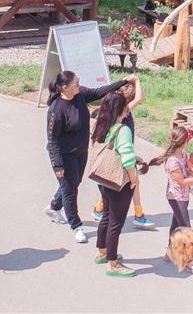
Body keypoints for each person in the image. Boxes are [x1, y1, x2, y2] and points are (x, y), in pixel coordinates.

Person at [45, 71, 129, 244]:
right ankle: (76, 226)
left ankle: (53, 207)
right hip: (64, 155)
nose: (79, 85)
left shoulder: (80, 94)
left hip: (80, 152)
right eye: (76, 83)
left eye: (79, 82)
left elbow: (99, 91)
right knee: (70, 191)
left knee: (73, 183)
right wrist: (57, 165)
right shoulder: (57, 109)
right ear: (64, 88)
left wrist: (123, 82)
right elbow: (52, 140)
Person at [92, 78, 154, 230]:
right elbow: (140, 97)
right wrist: (137, 80)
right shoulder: (124, 112)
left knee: (111, 185)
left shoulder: (111, 111)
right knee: (133, 183)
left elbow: (139, 96)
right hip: (122, 155)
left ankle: (100, 208)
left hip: (118, 153)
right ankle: (139, 215)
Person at [90, 92, 139, 277]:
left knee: (106, 216)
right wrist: (134, 180)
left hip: (102, 177)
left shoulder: (100, 124)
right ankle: (113, 263)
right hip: (118, 181)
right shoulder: (122, 129)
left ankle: (102, 251)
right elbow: (127, 159)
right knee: (115, 223)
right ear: (120, 109)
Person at [150, 126, 193, 240]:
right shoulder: (172, 161)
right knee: (186, 228)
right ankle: (191, 256)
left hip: (184, 195)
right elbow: (182, 182)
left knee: (176, 225)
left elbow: (189, 170)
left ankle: (170, 253)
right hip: (176, 197)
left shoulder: (183, 154)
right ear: (184, 142)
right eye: (188, 140)